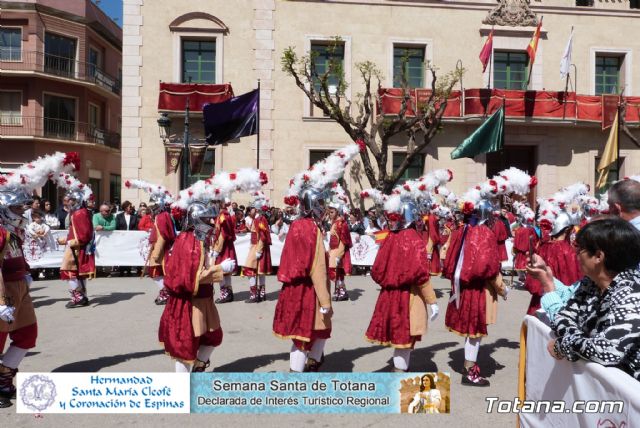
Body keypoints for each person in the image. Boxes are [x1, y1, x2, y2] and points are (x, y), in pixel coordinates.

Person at [0, 151, 79, 407]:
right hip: (3, 290)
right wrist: (1, 300)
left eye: (22, 207)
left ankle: (4, 376)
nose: (21, 211)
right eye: (16, 207)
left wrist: (24, 274)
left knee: (27, 335)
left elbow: (17, 255)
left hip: (19, 286)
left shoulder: (13, 230)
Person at [274, 142, 361, 372]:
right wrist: (325, 300)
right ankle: (298, 374)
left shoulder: (296, 225)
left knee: (318, 330)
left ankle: (313, 363)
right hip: (308, 290)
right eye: (321, 203)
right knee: (304, 335)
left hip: (294, 288)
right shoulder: (311, 228)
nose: (324, 207)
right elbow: (316, 268)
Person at [445, 168, 534, 386]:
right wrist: (502, 288)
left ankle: (468, 365)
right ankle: (470, 371)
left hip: (462, 288)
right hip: (478, 289)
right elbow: (489, 267)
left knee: (471, 331)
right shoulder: (483, 233)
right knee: (475, 331)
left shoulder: (460, 231)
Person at [362, 169, 450, 372]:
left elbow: (377, 271)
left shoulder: (389, 237)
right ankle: (399, 377)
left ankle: (398, 372)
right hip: (409, 296)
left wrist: (390, 281)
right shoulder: (413, 238)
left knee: (398, 338)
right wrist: (432, 301)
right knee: (405, 339)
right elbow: (420, 275)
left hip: (388, 296)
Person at [545, 218, 640, 380]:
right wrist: (581, 341)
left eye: (580, 249)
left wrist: (563, 345)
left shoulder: (633, 293)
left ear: (598, 256)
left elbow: (607, 351)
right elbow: (563, 316)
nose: (576, 255)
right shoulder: (590, 283)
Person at [159, 192, 235, 372]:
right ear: (196, 219)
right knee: (185, 349)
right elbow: (193, 278)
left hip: (205, 300)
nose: (212, 223)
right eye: (208, 219)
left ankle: (199, 367)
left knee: (213, 337)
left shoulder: (199, 240)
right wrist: (220, 269)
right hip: (190, 303)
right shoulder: (189, 241)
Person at [53, 173, 96, 308]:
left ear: (76, 200)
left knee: (68, 272)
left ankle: (78, 297)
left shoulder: (79, 213)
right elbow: (75, 231)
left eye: (70, 199)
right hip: (74, 246)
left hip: (76, 248)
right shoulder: (77, 212)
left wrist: (70, 242)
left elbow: (84, 234)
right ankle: (82, 296)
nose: (68, 202)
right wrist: (65, 239)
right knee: (76, 273)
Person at [243, 192, 272, 303]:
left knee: (249, 270)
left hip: (257, 247)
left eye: (253, 208)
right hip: (256, 246)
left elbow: (262, 236)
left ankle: (254, 295)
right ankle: (261, 293)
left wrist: (259, 250)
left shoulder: (259, 219)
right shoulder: (259, 219)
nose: (252, 209)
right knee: (260, 271)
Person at [327, 185, 352, 301]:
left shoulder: (341, 224)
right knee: (336, 274)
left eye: (332, 212)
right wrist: (330, 250)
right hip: (333, 251)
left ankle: (342, 293)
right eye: (329, 212)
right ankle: (338, 292)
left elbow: (344, 241)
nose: (330, 214)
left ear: (337, 211)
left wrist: (339, 255)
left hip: (338, 253)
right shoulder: (334, 223)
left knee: (340, 273)